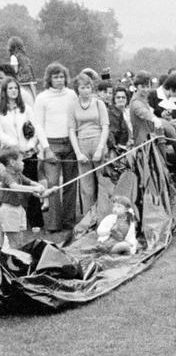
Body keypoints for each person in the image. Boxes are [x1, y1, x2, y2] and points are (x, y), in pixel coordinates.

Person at [33, 62, 80, 231]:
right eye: (56, 77)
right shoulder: (42, 98)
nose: (59, 80)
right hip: (51, 144)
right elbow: (38, 125)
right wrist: (46, 148)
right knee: (53, 184)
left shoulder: (72, 95)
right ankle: (53, 224)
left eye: (62, 77)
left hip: (69, 143)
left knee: (71, 183)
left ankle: (68, 221)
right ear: (49, 79)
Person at [0, 75, 44, 229]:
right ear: (4, 91)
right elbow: (1, 133)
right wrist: (15, 146)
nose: (13, 91)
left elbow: (35, 128)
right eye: (10, 88)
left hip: (28, 154)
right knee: (11, 188)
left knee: (29, 182)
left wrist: (30, 145)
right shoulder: (1, 111)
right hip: (9, 155)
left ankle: (36, 223)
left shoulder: (26, 109)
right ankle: (11, 222)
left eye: (16, 88)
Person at [68, 71, 109, 217]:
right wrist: (78, 153)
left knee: (103, 182)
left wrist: (100, 149)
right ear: (77, 89)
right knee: (86, 186)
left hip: (98, 141)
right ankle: (88, 218)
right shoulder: (72, 106)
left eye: (88, 87)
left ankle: (104, 215)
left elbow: (105, 126)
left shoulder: (99, 104)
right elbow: (72, 130)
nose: (86, 91)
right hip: (82, 143)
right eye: (82, 88)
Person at [0, 144, 48, 248]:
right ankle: (11, 260)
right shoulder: (5, 174)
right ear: (12, 163)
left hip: (19, 208)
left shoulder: (18, 173)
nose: (23, 163)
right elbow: (15, 186)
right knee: (14, 241)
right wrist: (34, 189)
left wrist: (39, 185)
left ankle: (14, 257)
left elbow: (29, 181)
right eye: (21, 161)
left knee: (19, 239)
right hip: (9, 210)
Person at [128, 71, 159, 146]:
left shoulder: (144, 98)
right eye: (143, 87)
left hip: (149, 139)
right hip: (142, 143)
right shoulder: (135, 101)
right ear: (136, 87)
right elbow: (142, 111)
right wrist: (154, 118)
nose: (146, 90)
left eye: (147, 87)